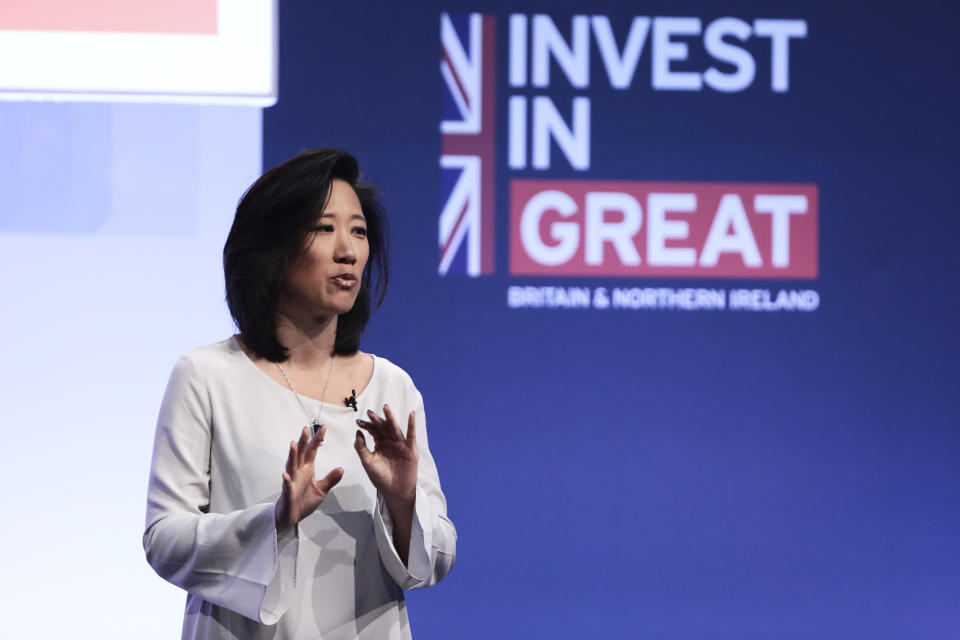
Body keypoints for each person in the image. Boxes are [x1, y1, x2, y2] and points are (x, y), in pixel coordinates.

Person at [143, 148, 456, 639]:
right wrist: (274, 521)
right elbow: (164, 540)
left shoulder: (392, 387)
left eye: (358, 230)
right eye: (324, 228)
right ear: (273, 245)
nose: (348, 250)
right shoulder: (207, 376)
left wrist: (402, 501)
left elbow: (436, 558)